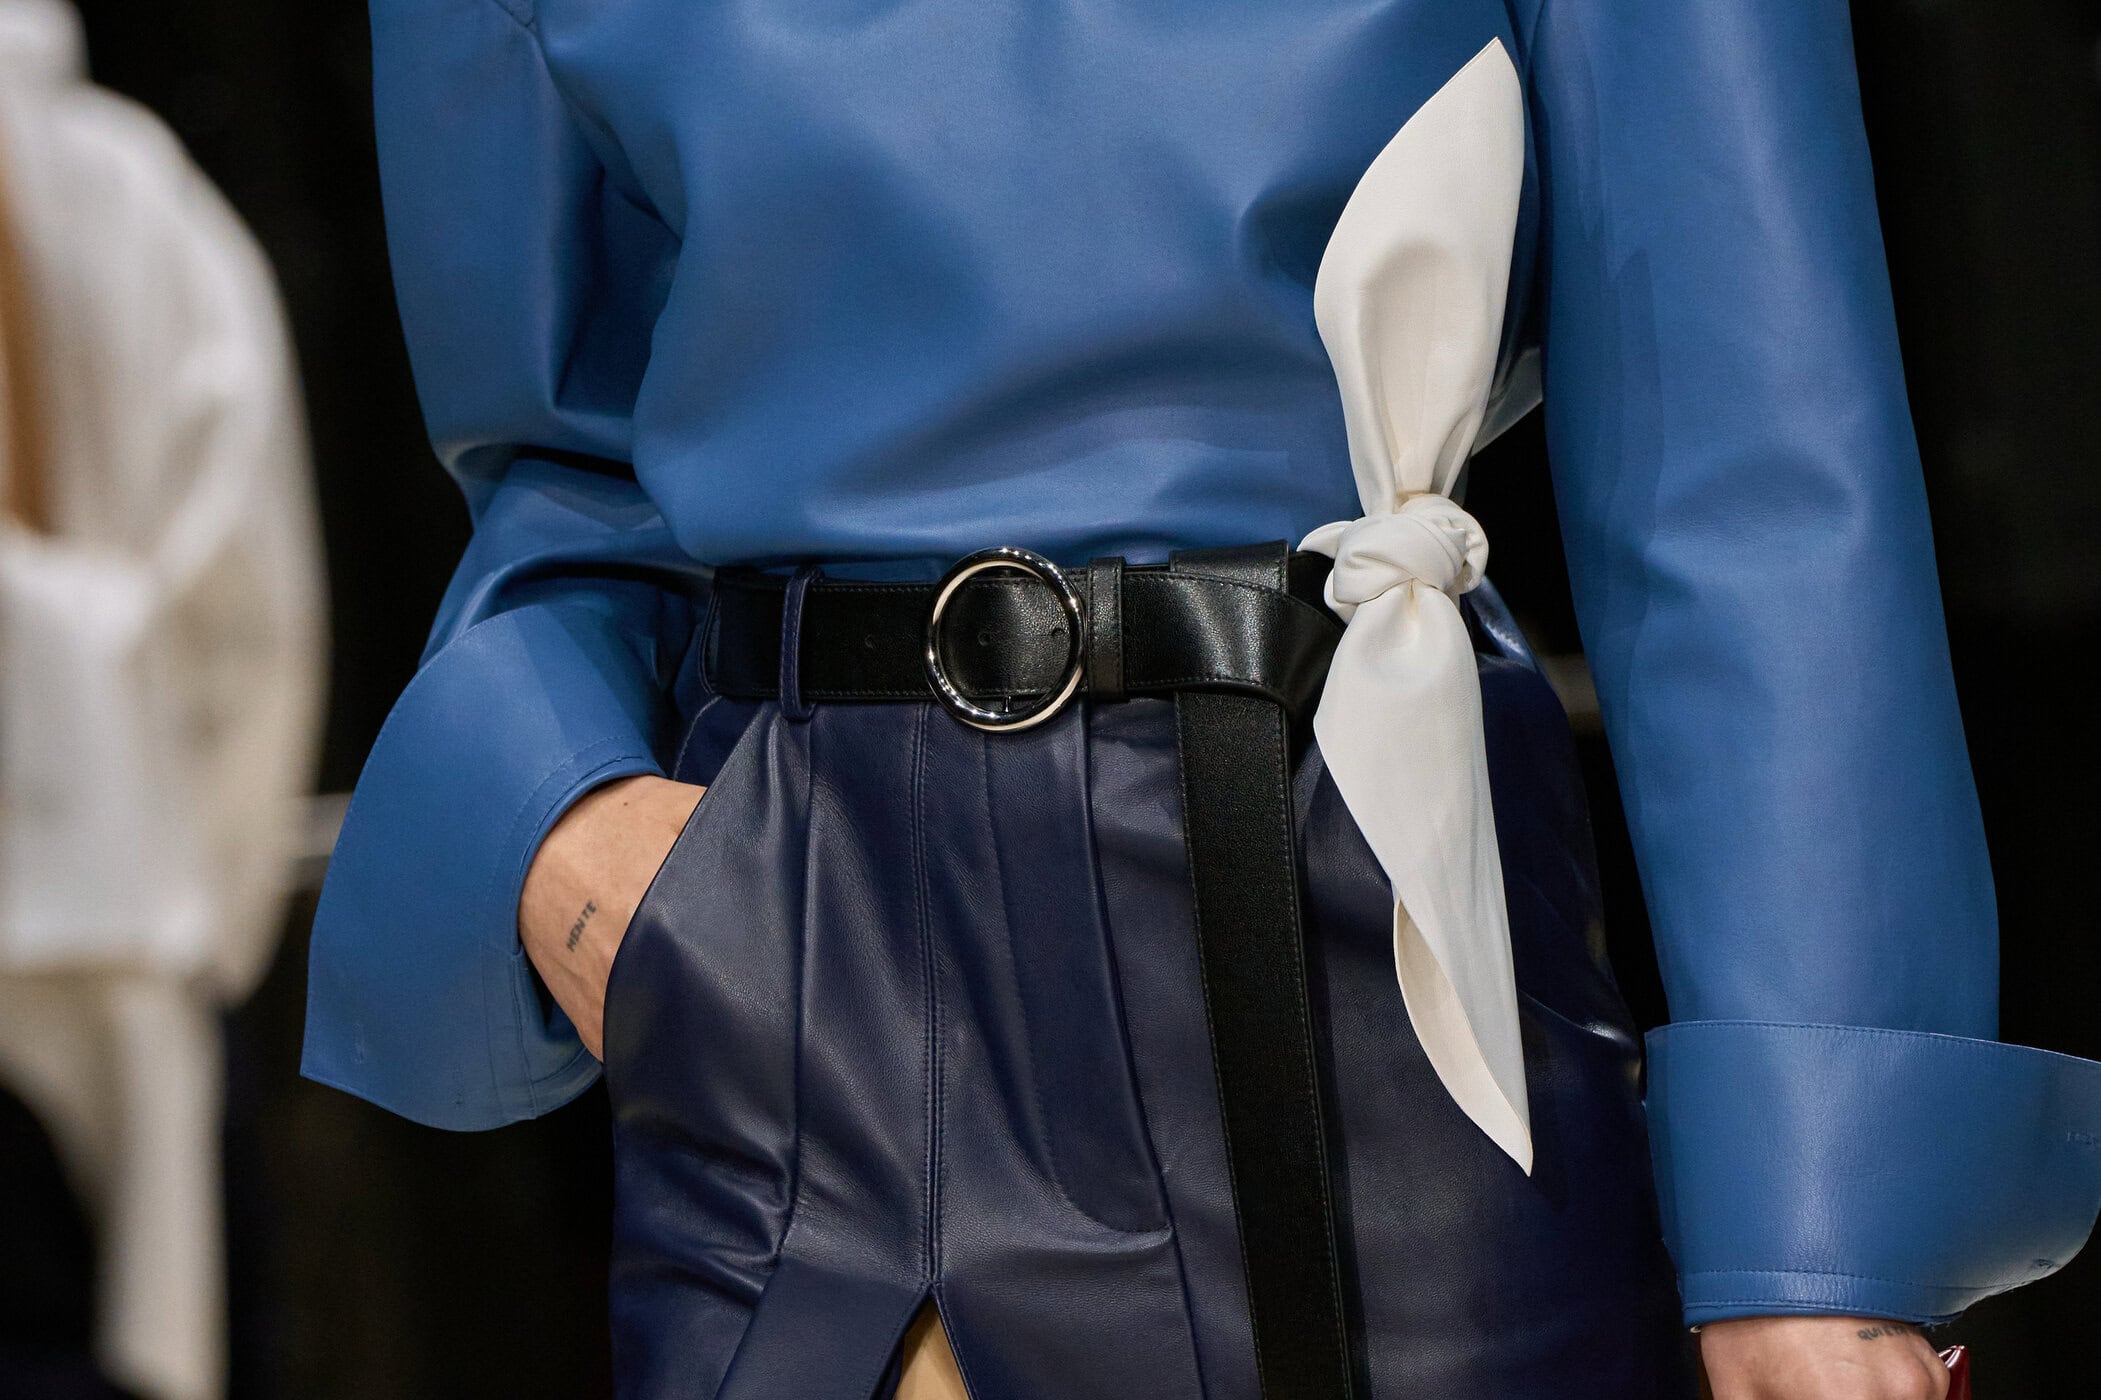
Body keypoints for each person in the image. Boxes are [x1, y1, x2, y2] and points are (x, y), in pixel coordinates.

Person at [303, 1, 2101, 1397]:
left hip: (1358, 952)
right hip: (803, 975)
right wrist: (565, 829)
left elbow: (1743, 437)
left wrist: (1815, 1235)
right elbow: (556, 459)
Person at [0, 2, 327, 1396]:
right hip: (140, 939)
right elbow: (248, 624)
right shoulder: (124, 188)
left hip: (136, 946)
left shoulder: (116, 188)